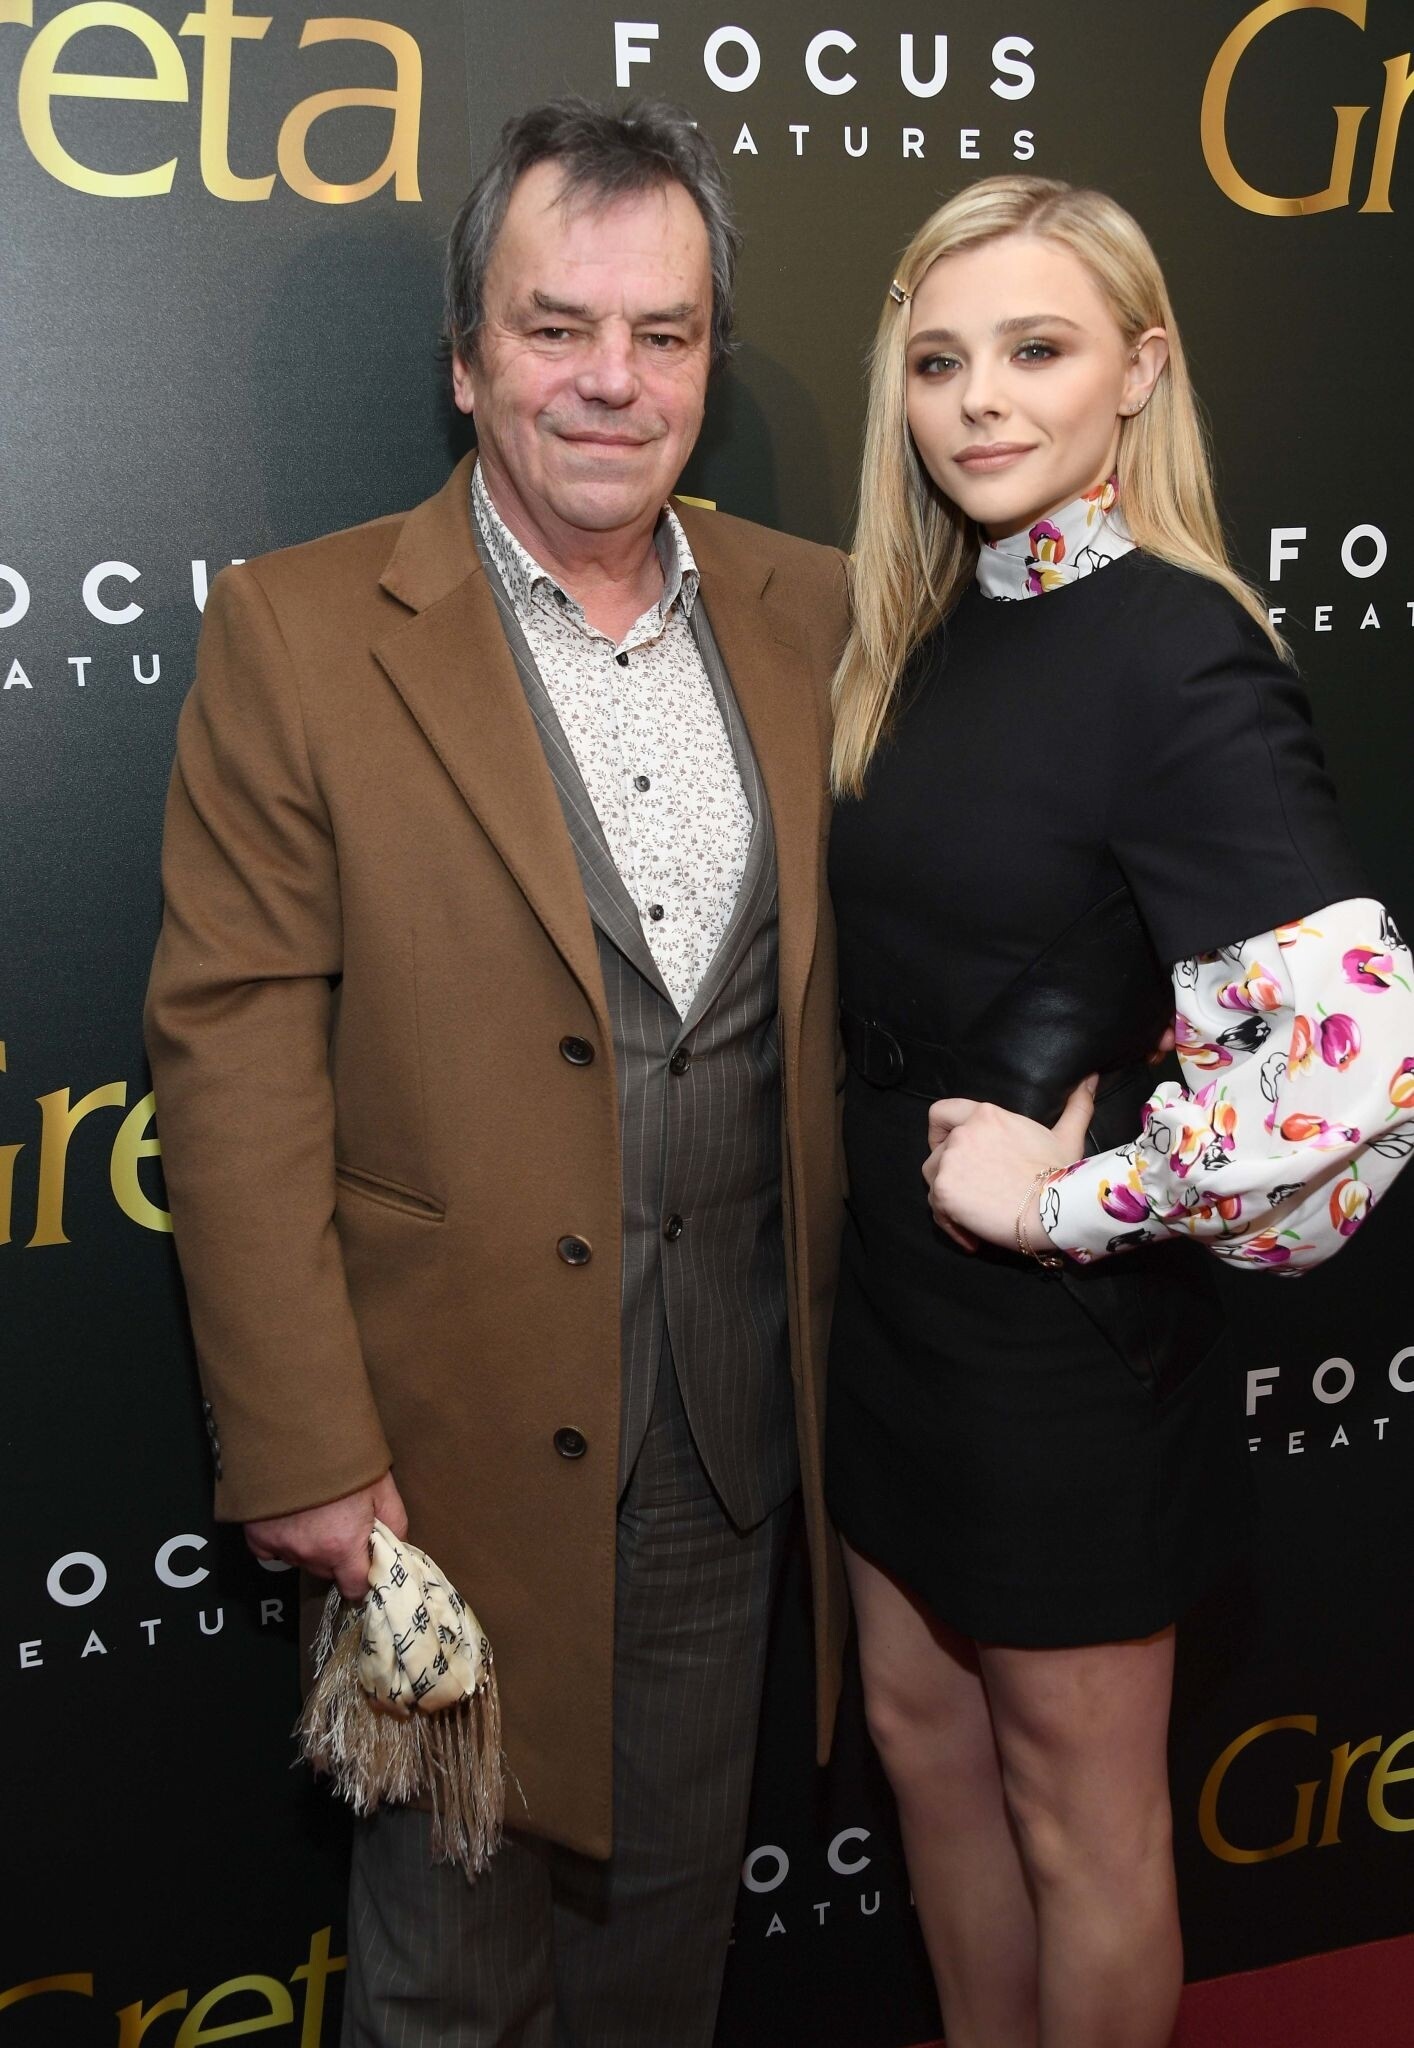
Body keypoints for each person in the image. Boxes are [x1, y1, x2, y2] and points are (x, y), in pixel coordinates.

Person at [145, 98, 849, 2048]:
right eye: (556, 326)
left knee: (663, 1962)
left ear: (707, 361)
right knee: (448, 1979)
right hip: (434, 1462)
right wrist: (302, 1446)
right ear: (466, 360)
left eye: (662, 332)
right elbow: (231, 1051)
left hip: (723, 1446)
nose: (610, 379)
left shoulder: (817, 611)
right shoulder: (297, 633)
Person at [826, 175, 1414, 2048]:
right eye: (939, 362)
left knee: (1079, 1830)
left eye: (1035, 349)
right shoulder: (919, 627)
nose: (979, 400)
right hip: (891, 1321)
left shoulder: (1176, 646)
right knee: (924, 1752)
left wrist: (1068, 1199)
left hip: (1059, 1362)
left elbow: (1355, 1062)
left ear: (1138, 372)